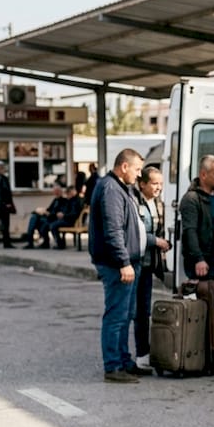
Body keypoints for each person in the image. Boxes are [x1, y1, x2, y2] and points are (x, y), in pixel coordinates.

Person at [88, 148, 147, 384]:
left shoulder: (122, 188)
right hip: (117, 264)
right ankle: (113, 366)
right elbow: (113, 230)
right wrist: (123, 262)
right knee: (116, 315)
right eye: (137, 169)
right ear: (124, 167)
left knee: (126, 314)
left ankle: (123, 360)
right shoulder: (111, 189)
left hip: (128, 262)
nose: (139, 174)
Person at [132, 166, 170, 370]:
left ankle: (144, 353)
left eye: (161, 184)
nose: (158, 188)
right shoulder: (135, 203)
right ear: (143, 184)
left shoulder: (158, 204)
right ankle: (140, 353)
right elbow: (133, 233)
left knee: (144, 309)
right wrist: (156, 241)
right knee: (138, 310)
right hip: (137, 262)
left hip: (151, 264)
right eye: (154, 184)